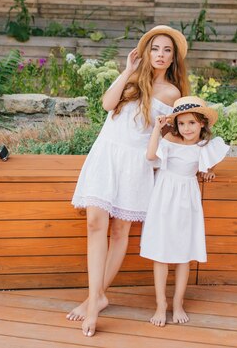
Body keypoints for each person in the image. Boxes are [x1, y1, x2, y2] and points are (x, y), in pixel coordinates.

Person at [69, 25, 190, 337]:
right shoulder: (131, 78)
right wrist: (127, 70)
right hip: (106, 154)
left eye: (167, 51)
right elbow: (108, 104)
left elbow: (172, 134)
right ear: (146, 52)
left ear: (174, 58)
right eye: (156, 49)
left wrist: (199, 161)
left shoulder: (171, 93)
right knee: (96, 223)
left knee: (120, 230)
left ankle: (94, 300)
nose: (161, 55)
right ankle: (96, 297)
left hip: (134, 162)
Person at [141, 96, 230, 327]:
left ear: (202, 123)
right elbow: (151, 157)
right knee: (161, 252)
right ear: (176, 125)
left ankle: (178, 302)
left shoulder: (204, 146)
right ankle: (161, 304)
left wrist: (208, 171)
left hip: (187, 199)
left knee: (183, 252)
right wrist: (157, 130)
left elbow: (209, 162)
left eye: (192, 123)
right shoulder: (170, 139)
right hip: (164, 197)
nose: (186, 128)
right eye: (181, 123)